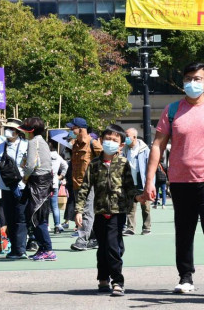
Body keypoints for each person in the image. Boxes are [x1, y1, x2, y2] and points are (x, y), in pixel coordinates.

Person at [140, 62, 204, 297]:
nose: (193, 83)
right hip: (181, 181)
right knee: (184, 231)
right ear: (183, 82)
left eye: (198, 79)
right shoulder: (172, 111)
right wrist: (150, 180)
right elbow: (158, 145)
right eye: (189, 78)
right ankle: (185, 278)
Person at [76, 124, 140, 297]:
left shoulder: (123, 164)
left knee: (112, 247)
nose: (110, 142)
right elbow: (85, 187)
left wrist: (137, 197)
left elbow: (129, 187)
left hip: (117, 213)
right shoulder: (94, 164)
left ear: (121, 145)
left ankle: (117, 281)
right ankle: (102, 278)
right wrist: (79, 210)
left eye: (115, 140)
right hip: (99, 212)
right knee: (102, 247)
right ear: (101, 141)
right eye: (108, 139)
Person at [19, 117, 56, 261]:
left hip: (38, 183)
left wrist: (24, 178)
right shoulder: (43, 141)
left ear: (31, 131)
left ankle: (47, 249)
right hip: (44, 181)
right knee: (38, 216)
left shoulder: (34, 142)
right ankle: (43, 248)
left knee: (36, 217)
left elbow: (30, 165)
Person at [0, 119, 29, 259]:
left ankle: (21, 249)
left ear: (17, 131)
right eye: (6, 128)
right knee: (9, 219)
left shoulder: (26, 145)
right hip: (5, 187)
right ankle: (14, 248)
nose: (8, 130)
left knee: (21, 218)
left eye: (11, 128)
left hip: (22, 187)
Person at [69, 117, 103, 251]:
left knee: (86, 213)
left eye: (73, 128)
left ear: (80, 129)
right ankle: (95, 238)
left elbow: (108, 158)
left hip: (90, 184)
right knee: (84, 212)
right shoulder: (75, 144)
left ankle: (82, 240)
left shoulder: (93, 143)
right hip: (76, 184)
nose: (71, 131)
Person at [122, 128, 151, 235]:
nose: (125, 138)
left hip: (141, 181)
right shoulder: (124, 149)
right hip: (129, 182)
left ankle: (146, 227)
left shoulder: (144, 149)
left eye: (127, 135)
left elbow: (149, 166)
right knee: (130, 206)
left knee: (145, 206)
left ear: (134, 137)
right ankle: (130, 228)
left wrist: (150, 182)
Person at [49, 139, 69, 234]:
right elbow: (65, 166)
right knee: (55, 206)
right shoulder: (58, 156)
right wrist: (60, 176)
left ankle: (46, 225)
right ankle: (57, 225)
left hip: (44, 183)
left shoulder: (45, 155)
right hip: (54, 183)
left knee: (45, 206)